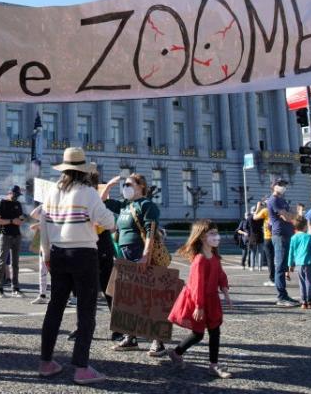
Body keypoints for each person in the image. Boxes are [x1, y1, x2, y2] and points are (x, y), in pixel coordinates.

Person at [38, 147, 116, 386]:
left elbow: (43, 226)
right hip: (84, 254)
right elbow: (109, 222)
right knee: (86, 311)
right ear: (83, 171)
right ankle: (81, 367)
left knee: (55, 308)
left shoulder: (51, 192)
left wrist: (47, 255)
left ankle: (46, 362)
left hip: (58, 253)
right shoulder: (88, 192)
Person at [101, 173, 165, 356]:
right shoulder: (124, 205)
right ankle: (131, 338)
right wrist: (109, 185)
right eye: (124, 184)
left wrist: (146, 255)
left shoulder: (147, 205)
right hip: (123, 255)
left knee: (147, 298)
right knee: (127, 298)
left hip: (139, 254)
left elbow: (150, 232)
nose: (125, 187)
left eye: (129, 184)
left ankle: (158, 341)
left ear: (141, 187)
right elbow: (102, 201)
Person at [167, 219, 233, 379]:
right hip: (200, 300)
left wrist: (225, 292)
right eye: (212, 233)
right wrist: (199, 306)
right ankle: (176, 352)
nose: (216, 236)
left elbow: (221, 275)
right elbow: (196, 286)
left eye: (216, 233)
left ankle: (213, 365)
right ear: (202, 237)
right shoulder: (200, 260)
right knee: (198, 334)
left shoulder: (215, 257)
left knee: (215, 331)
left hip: (212, 301)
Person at [266, 179, 298, 307]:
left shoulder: (282, 200)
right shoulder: (273, 200)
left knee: (284, 265)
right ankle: (281, 297)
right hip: (280, 235)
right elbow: (287, 216)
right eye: (280, 185)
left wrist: (292, 215)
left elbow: (292, 215)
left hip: (286, 234)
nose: (283, 187)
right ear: (273, 186)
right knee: (280, 266)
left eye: (284, 185)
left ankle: (284, 296)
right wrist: (292, 215)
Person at [0, 185, 25, 298]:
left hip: (17, 235)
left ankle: (15, 288)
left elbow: (21, 218)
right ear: (10, 193)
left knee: (15, 264)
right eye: (15, 195)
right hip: (5, 236)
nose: (16, 197)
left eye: (18, 195)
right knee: (2, 263)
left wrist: (22, 219)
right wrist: (12, 221)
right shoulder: (2, 203)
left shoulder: (18, 204)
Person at [287, 216, 311, 309]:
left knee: (302, 282)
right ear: (305, 226)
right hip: (308, 263)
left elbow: (291, 253)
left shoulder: (293, 238)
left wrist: (290, 265)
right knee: (309, 282)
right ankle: (309, 301)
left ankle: (303, 301)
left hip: (298, 264)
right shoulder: (309, 237)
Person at [253, 201, 274, 285]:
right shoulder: (276, 209)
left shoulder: (265, 210)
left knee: (270, 259)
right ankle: (280, 278)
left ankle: (272, 279)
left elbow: (254, 217)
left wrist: (258, 207)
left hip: (268, 237)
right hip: (277, 236)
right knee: (277, 258)